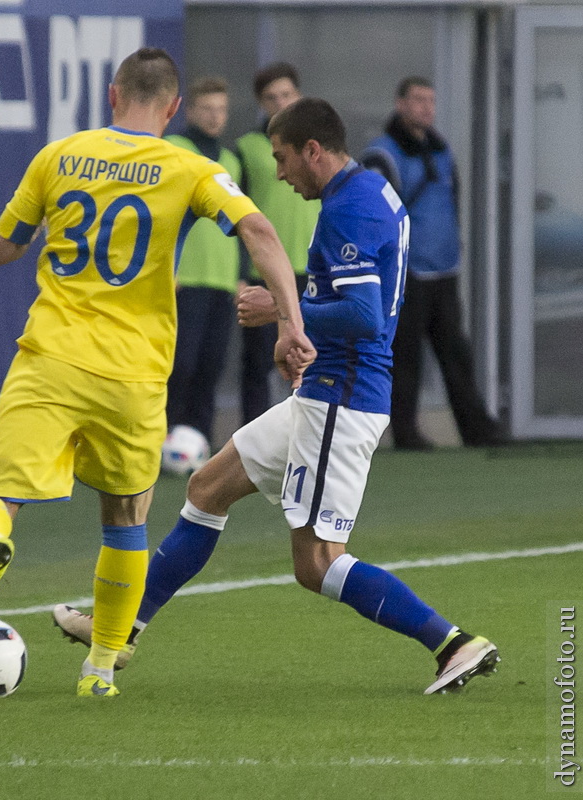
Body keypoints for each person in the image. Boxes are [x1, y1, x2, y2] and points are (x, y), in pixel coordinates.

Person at [54, 97, 500, 695]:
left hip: (341, 401)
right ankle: (122, 628)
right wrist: (297, 330)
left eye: (285, 159)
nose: (281, 174)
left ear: (314, 150)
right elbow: (350, 298)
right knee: (206, 488)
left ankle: (452, 643)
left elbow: (366, 316)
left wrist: (282, 312)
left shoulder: (350, 209)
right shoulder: (367, 191)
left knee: (316, 563)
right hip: (324, 389)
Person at [0, 48, 315, 698]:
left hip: (52, 356)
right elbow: (258, 231)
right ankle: (100, 670)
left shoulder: (57, 156)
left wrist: (45, 229)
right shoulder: (190, 166)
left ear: (113, 95)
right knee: (125, 518)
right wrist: (289, 321)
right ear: (172, 108)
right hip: (134, 376)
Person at [361, 76, 508, 451]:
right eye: (417, 100)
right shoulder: (383, 154)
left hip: (444, 269)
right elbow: (375, 214)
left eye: (431, 100)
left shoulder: (441, 150)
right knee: (405, 355)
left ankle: (478, 430)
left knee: (456, 353)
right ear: (400, 104)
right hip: (407, 273)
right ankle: (405, 433)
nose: (426, 107)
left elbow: (452, 200)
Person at [236, 63, 320, 425]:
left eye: (286, 94)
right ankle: (253, 435)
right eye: (271, 97)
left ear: (299, 95)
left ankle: (309, 427)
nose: (280, 103)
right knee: (259, 362)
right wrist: (239, 272)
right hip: (266, 270)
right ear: (261, 103)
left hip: (313, 267)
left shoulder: (318, 149)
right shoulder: (247, 149)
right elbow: (234, 215)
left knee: (313, 354)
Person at [164, 77, 241, 448]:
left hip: (222, 280)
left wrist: (241, 275)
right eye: (207, 108)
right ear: (190, 110)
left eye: (221, 109)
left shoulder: (230, 160)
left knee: (211, 367)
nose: (215, 116)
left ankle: (200, 444)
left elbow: (242, 221)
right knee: (180, 365)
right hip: (184, 278)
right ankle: (163, 439)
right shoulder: (173, 149)